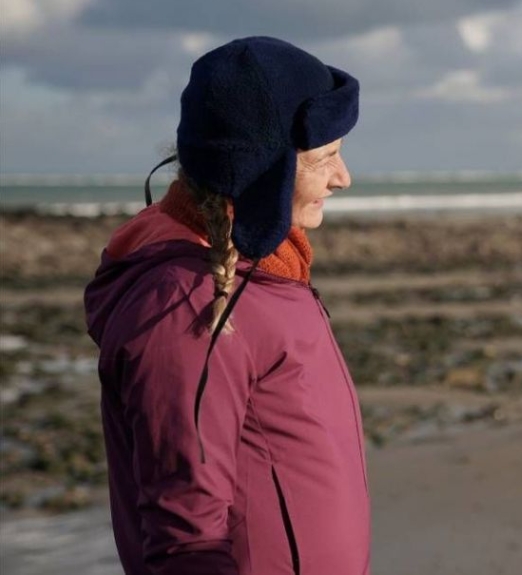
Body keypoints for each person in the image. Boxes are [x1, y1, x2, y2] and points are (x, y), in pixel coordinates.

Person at [85, 37, 370, 574]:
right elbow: (186, 539)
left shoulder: (266, 273)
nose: (343, 178)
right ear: (264, 171)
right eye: (325, 157)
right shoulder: (189, 305)